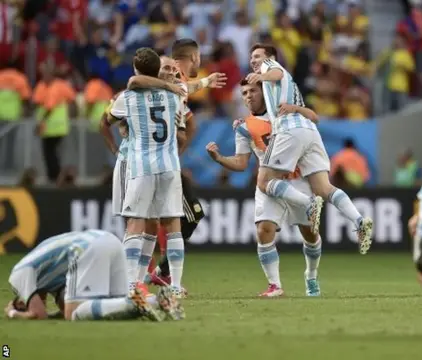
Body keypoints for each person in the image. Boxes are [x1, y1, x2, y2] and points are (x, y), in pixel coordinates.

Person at [246, 43, 373, 254]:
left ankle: (308, 203)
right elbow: (314, 116)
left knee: (264, 181)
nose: (253, 61)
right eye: (252, 57)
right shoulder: (287, 88)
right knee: (324, 188)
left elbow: (274, 72)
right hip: (310, 132)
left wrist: (261, 76)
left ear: (270, 57)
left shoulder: (271, 67)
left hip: (290, 131)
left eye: (257, 56)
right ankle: (358, 220)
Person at [206, 79, 322, 297]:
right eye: (244, 93)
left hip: (297, 180)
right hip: (268, 182)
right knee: (264, 230)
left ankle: (311, 275)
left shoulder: (285, 114)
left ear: (264, 92)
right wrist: (219, 158)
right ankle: (275, 285)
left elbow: (313, 123)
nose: (248, 96)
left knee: (310, 233)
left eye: (252, 91)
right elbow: (241, 163)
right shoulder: (243, 126)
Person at [105, 48, 188, 298]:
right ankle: (175, 285)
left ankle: (131, 283)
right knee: (172, 224)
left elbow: (108, 118)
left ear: (136, 69)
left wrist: (120, 122)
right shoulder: (176, 99)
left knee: (136, 223)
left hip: (142, 166)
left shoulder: (127, 98)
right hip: (170, 165)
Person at [5, 230, 182, 321]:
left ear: (21, 300)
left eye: (23, 304)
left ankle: (132, 302)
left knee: (73, 314)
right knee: (114, 305)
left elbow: (38, 314)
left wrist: (13, 313)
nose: (39, 301)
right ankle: (157, 301)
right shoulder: (46, 278)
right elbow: (64, 306)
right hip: (109, 240)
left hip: (85, 249)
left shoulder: (18, 275)